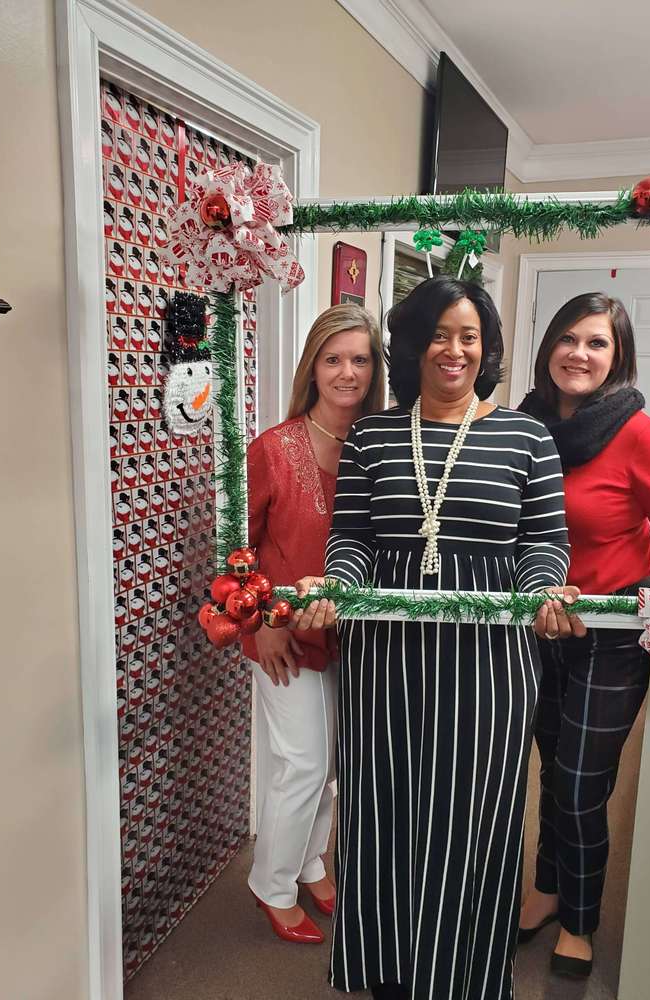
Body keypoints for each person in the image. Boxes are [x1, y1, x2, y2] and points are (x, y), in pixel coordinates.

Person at [294, 276, 582, 999]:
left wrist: (543, 586)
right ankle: (387, 970)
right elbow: (352, 536)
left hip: (490, 664)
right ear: (413, 344)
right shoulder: (375, 433)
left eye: (469, 336)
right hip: (385, 656)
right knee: (382, 807)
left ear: (485, 349)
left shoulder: (526, 436)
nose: (453, 349)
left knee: (474, 817)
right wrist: (338, 585)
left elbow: (545, 540)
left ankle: (466, 974)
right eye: (438, 334)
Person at [516, 292, 650, 978]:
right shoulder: (519, 426)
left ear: (618, 358)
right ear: (548, 345)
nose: (578, 354)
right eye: (569, 338)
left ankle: (580, 920)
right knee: (552, 771)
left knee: (583, 783)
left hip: (612, 633)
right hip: (537, 630)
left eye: (597, 343)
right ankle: (548, 888)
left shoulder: (640, 435)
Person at [245, 303, 385, 944]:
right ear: (313, 367)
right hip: (284, 637)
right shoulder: (272, 449)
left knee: (334, 760)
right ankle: (272, 884)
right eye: (334, 359)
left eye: (360, 359)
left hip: (359, 636)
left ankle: (310, 861)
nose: (347, 372)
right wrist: (262, 622)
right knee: (301, 762)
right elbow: (235, 547)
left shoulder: (385, 445)